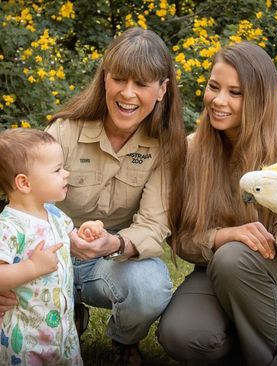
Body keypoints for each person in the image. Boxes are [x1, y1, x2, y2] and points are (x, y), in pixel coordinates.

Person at [0, 27, 186, 366]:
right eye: (119, 79)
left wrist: (112, 245)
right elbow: (21, 208)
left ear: (162, 90)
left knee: (151, 285)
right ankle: (67, 313)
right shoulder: (65, 131)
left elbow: (153, 226)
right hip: (49, 260)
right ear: (105, 79)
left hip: (109, 262)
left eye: (142, 84)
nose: (127, 93)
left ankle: (124, 341)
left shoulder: (167, 147)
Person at [157, 41, 277, 366]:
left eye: (235, 93)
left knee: (233, 259)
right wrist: (223, 236)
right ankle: (248, 335)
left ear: (258, 97)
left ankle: (272, 359)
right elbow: (181, 238)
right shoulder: (191, 151)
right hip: (221, 269)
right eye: (214, 87)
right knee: (181, 335)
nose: (219, 100)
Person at [0, 128, 83, 365]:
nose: (66, 174)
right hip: (27, 339)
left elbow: (74, 238)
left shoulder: (54, 213)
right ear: (24, 183)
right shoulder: (10, 227)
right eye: (57, 170)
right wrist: (32, 268)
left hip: (63, 333)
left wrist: (88, 233)